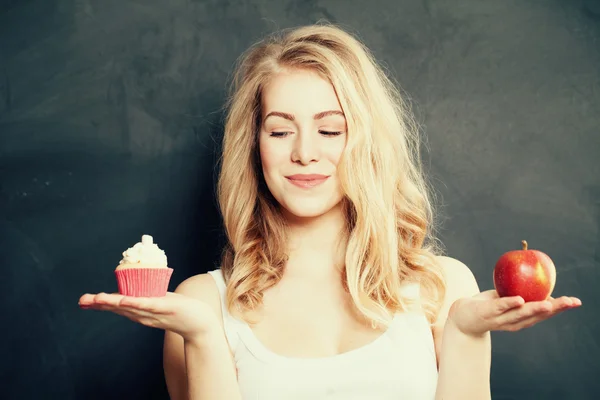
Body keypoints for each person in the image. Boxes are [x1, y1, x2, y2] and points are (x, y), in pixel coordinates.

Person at [79, 23, 581, 400]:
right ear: (254, 148)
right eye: (279, 130)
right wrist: (205, 338)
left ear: (365, 142)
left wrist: (467, 334)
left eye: (330, 129)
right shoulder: (200, 306)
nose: (304, 153)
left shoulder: (442, 288)